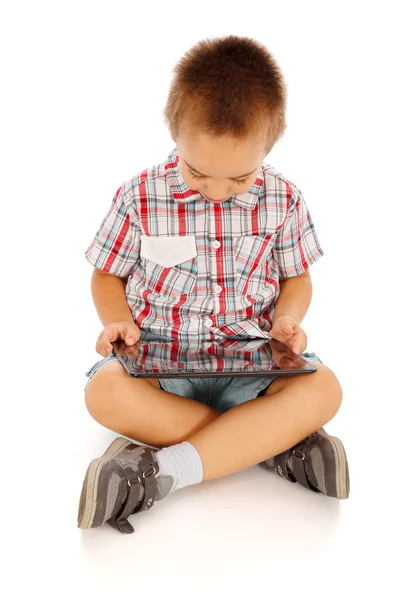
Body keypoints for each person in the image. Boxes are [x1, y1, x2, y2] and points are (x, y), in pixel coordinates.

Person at [78, 35, 350, 535]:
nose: (219, 192)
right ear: (174, 132)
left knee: (326, 390)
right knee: (104, 393)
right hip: (161, 363)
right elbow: (107, 274)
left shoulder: (284, 199)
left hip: (250, 362)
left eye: (241, 179)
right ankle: (273, 445)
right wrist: (116, 319)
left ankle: (161, 469)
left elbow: (297, 278)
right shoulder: (140, 195)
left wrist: (289, 319)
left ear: (272, 143)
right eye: (199, 174)